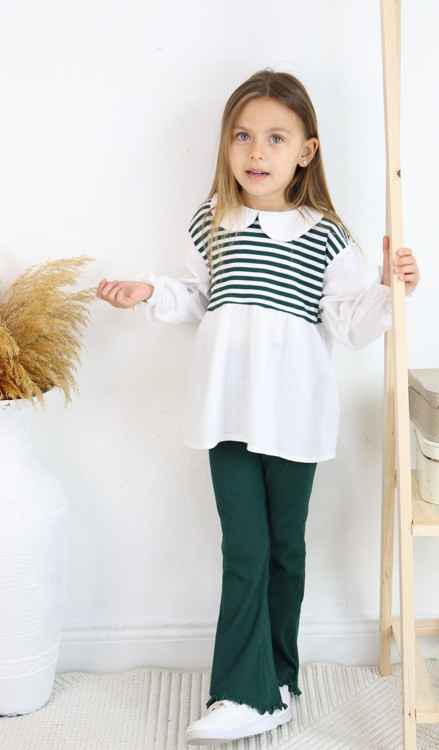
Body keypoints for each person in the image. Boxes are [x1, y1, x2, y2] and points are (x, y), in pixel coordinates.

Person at [97, 69, 419, 746]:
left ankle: (278, 679)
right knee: (245, 547)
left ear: (306, 151)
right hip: (227, 412)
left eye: (275, 138)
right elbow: (197, 296)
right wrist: (149, 293)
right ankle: (243, 692)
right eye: (243, 136)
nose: (256, 151)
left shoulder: (326, 236)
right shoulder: (212, 220)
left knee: (284, 551)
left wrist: (390, 290)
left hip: (294, 416)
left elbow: (351, 323)